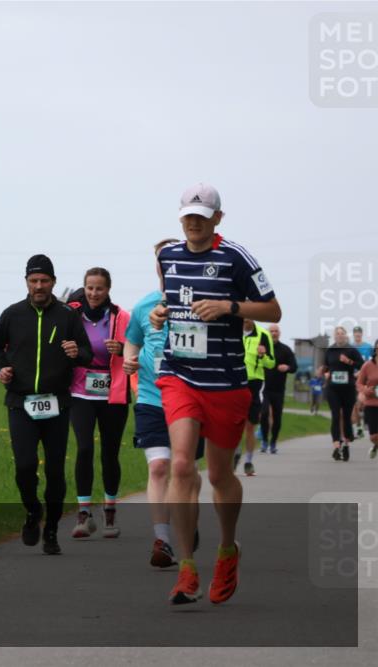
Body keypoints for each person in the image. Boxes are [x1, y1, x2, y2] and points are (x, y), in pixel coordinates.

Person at [150, 183, 282, 605]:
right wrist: (159, 312)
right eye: (188, 215)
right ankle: (187, 567)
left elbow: (274, 310)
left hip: (225, 383)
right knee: (183, 464)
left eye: (202, 216)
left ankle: (227, 550)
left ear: (218, 219)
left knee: (220, 476)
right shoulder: (167, 256)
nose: (193, 222)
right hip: (179, 374)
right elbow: (170, 303)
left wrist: (230, 307)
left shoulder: (236, 257)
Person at [0, 254, 92, 556]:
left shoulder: (67, 316)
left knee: (56, 471)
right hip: (21, 402)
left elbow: (86, 352)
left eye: (44, 281)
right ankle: (33, 511)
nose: (39, 286)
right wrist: (0, 368)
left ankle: (51, 530)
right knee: (24, 466)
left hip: (57, 403)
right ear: (26, 283)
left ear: (53, 283)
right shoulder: (12, 314)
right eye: (34, 281)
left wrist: (76, 351)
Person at [123, 238, 204, 567]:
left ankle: (189, 522)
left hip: (191, 400)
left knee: (185, 472)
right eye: (163, 260)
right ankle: (163, 539)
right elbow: (132, 343)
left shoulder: (201, 303)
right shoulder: (144, 305)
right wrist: (129, 361)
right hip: (151, 397)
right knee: (158, 467)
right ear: (158, 266)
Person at [65, 270, 131, 539]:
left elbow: (136, 348)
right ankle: (83, 513)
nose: (94, 293)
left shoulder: (121, 317)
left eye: (99, 289)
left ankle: (110, 509)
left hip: (113, 392)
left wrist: (123, 348)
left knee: (110, 452)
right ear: (84, 288)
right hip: (81, 391)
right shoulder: (72, 316)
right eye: (90, 288)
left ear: (108, 290)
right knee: (83, 449)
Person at [236, 319, 275, 475]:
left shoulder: (263, 335)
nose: (246, 318)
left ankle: (248, 461)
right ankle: (236, 453)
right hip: (235, 381)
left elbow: (271, 363)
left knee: (250, 425)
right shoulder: (233, 330)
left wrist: (263, 355)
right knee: (234, 423)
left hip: (255, 384)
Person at [322, 326, 365, 462]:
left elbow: (362, 366)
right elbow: (326, 366)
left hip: (348, 389)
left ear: (346, 336)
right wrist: (326, 373)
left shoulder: (351, 350)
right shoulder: (330, 350)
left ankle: (346, 444)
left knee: (346, 417)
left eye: (342, 334)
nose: (340, 336)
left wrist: (349, 362)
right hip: (333, 388)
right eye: (337, 334)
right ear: (334, 336)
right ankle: (336, 446)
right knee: (335, 416)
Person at [259, 324, 297, 454]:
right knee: (264, 414)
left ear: (279, 334)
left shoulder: (285, 349)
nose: (274, 333)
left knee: (277, 417)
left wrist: (287, 367)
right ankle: (264, 441)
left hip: (278, 389)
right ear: (267, 334)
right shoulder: (262, 348)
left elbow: (294, 366)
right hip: (264, 388)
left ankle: (273, 441)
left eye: (276, 331)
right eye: (271, 331)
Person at [354, 339, 378, 459]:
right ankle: (375, 445)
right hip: (372, 404)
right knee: (374, 436)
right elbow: (359, 383)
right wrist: (365, 390)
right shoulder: (368, 365)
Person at [352, 326, 372, 438]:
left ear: (362, 334)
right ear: (353, 334)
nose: (357, 335)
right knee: (354, 403)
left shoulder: (368, 347)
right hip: (353, 378)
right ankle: (359, 426)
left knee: (362, 402)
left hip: (365, 378)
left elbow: (370, 362)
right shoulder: (350, 347)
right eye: (356, 333)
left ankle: (366, 420)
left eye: (359, 333)